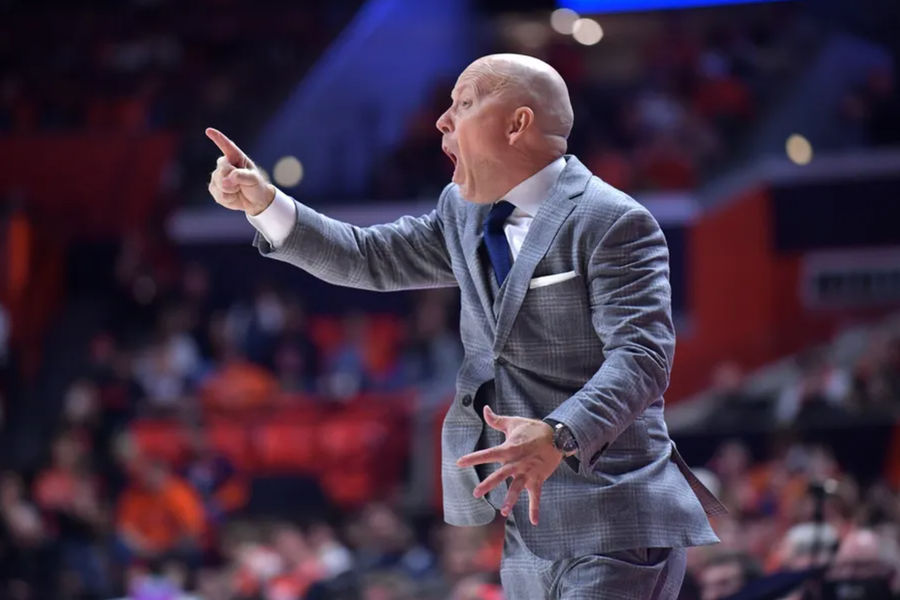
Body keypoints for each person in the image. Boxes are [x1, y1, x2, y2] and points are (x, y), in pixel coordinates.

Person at [206, 53, 725, 599]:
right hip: (528, 512)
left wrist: (560, 433)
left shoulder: (613, 220)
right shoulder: (463, 211)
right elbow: (367, 256)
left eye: (465, 103)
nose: (442, 120)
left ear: (518, 123)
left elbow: (642, 357)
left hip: (615, 508)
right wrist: (265, 204)